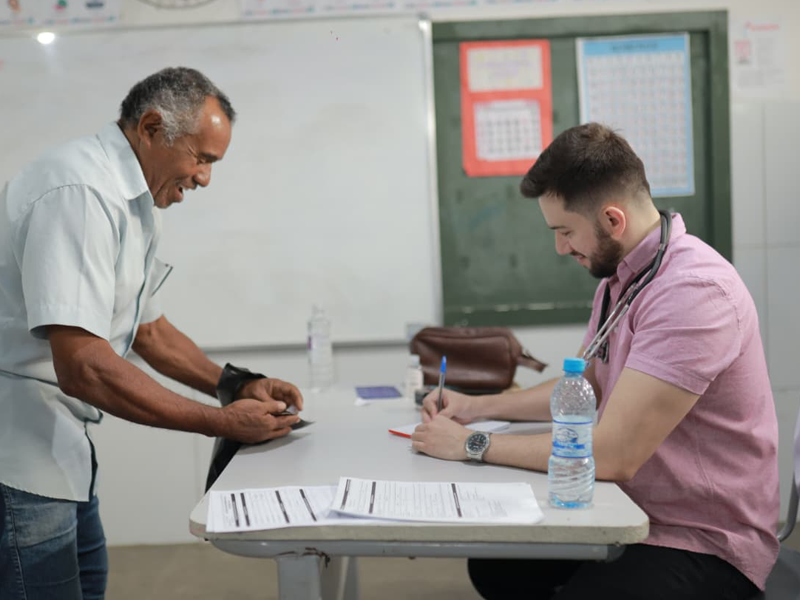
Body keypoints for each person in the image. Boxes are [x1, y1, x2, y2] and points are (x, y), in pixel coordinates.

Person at [412, 123, 779, 599]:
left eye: (565, 231)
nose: (561, 248)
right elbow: (586, 385)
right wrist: (476, 407)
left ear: (613, 220)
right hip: (627, 508)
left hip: (700, 539)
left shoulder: (693, 292)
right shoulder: (622, 281)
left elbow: (613, 454)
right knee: (497, 566)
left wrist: (471, 444)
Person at [0, 67, 303, 600]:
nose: (204, 178)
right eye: (202, 158)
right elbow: (85, 366)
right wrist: (220, 422)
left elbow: (146, 330)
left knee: (86, 586)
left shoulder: (133, 198)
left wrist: (235, 383)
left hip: (59, 449)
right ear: (151, 127)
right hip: (17, 458)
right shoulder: (80, 192)